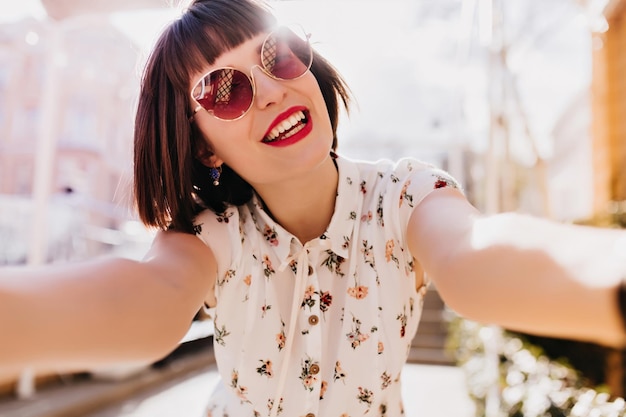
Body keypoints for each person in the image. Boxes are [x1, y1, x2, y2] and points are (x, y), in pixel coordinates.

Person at [2, 0, 626, 415]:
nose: (273, 89)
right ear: (199, 145)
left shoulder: (405, 196)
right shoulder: (210, 233)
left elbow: (474, 257)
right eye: (225, 89)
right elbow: (143, 302)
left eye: (278, 53)